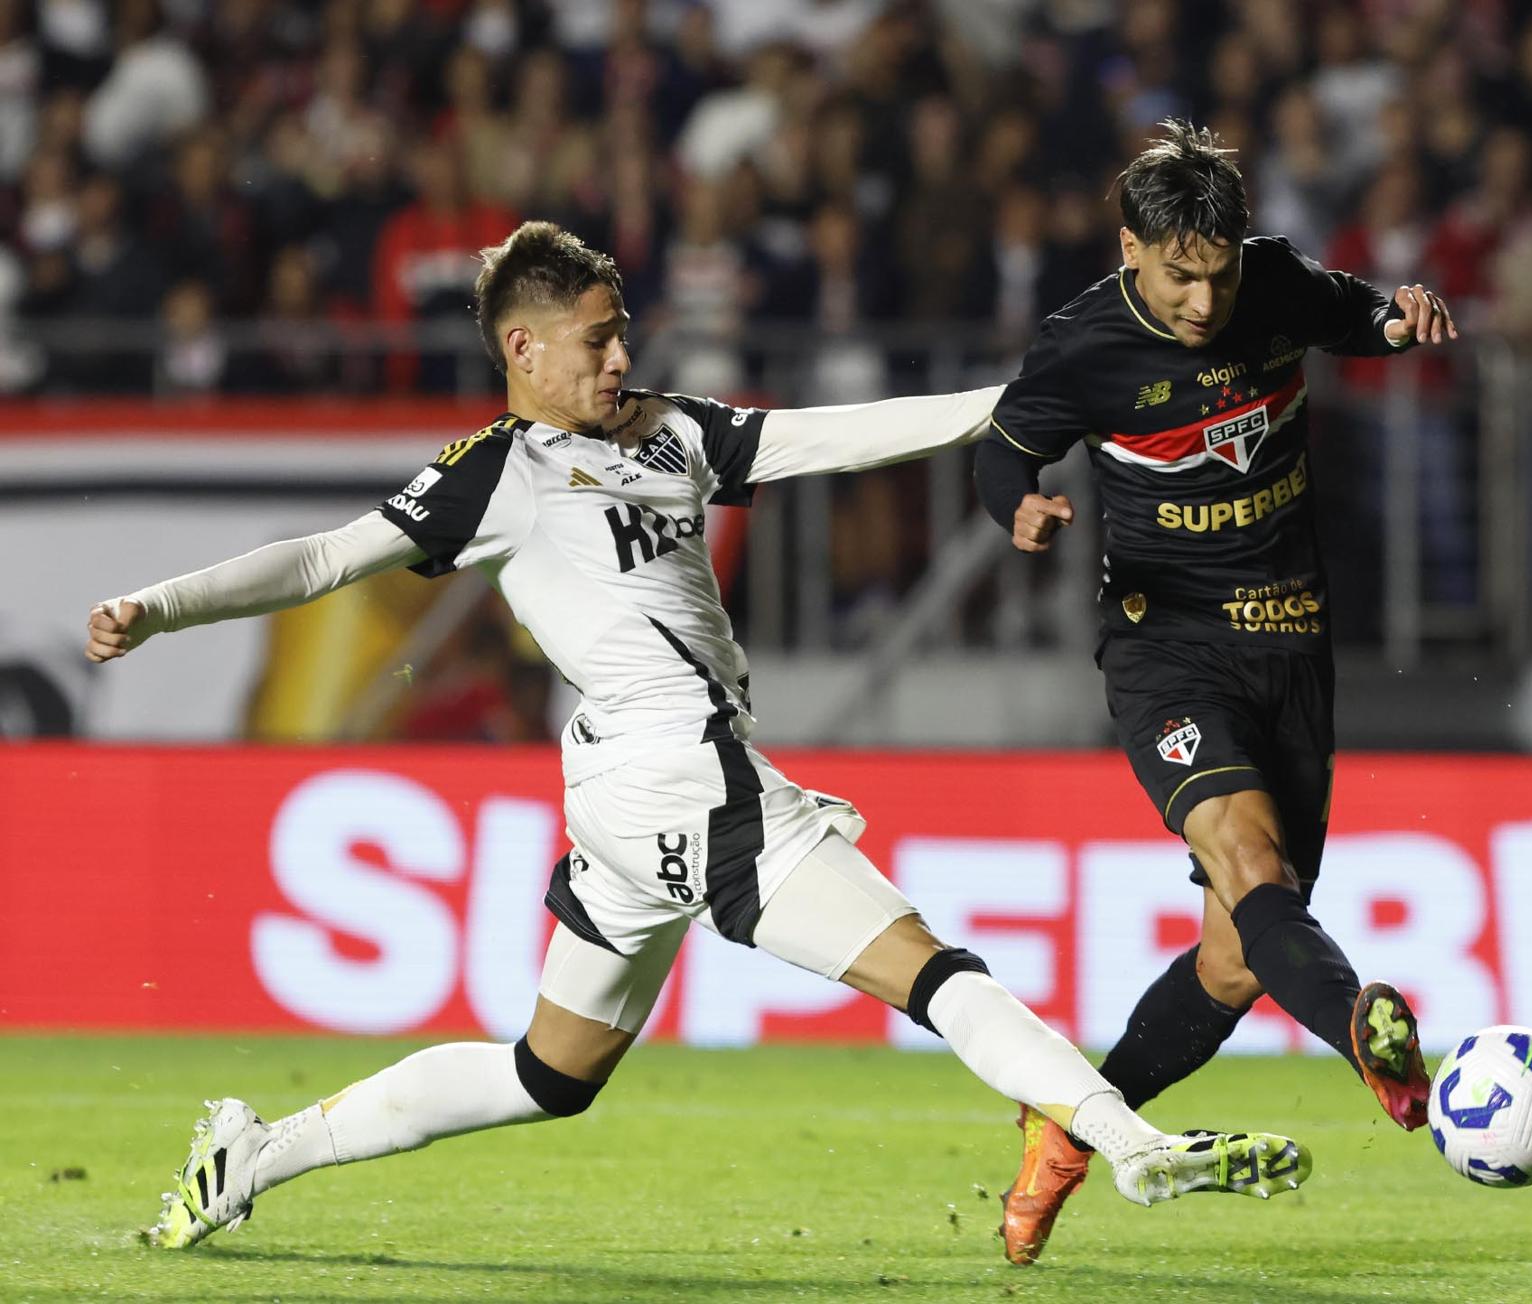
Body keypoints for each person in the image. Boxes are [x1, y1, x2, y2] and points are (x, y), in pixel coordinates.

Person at [87, 221, 1308, 1253]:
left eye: (623, 331)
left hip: (628, 791)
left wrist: (1025, 406)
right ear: (523, 349)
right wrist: (158, 606)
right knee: (932, 969)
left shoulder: (669, 432)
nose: (622, 355)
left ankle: (255, 1153)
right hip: (681, 775)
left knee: (548, 1072)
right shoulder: (500, 474)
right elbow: (319, 558)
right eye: (596, 339)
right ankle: (1130, 1140)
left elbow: (834, 434)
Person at [972, 122, 1453, 1266]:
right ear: (1130, 250)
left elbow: (1358, 317)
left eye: (1219, 273)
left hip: (1292, 642)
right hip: (1166, 646)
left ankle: (1068, 1127)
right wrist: (1018, 507)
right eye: (1179, 275)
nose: (1202, 300)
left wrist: (1402, 318)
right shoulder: (1085, 344)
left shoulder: (1274, 282)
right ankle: (1365, 1034)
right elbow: (1003, 449)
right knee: (1250, 859)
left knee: (1236, 958)